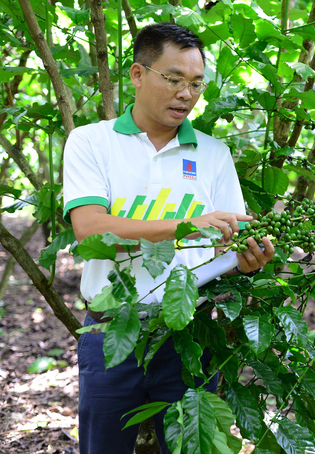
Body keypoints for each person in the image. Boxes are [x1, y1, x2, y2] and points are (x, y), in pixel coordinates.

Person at [63, 23, 275, 453]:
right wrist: (188, 226)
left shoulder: (214, 155)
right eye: (174, 79)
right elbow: (91, 230)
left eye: (196, 83)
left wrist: (250, 257)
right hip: (112, 335)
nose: (187, 93)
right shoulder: (91, 142)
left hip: (188, 337)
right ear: (138, 75)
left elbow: (230, 239)